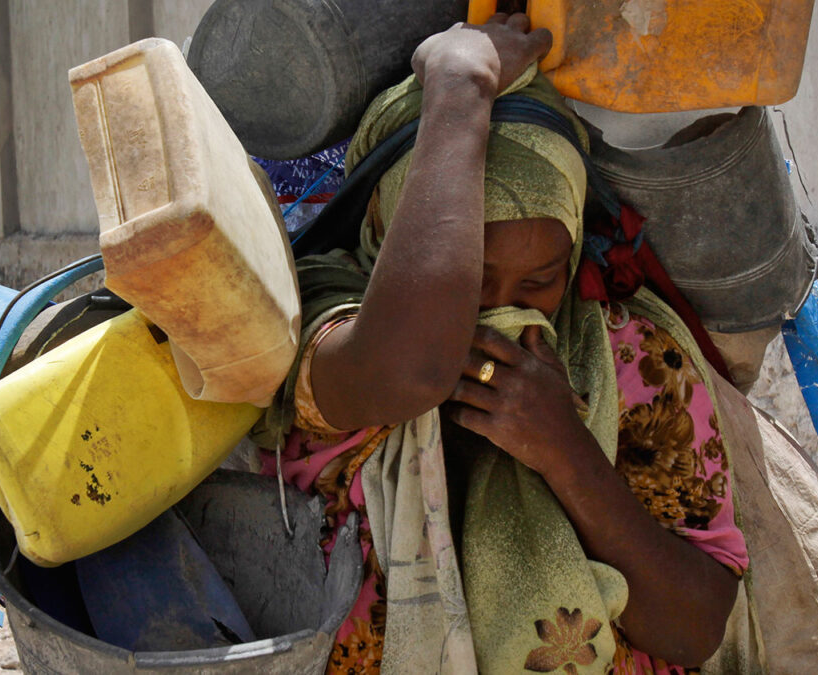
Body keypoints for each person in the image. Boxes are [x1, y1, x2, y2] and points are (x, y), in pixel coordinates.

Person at [255, 14, 746, 674]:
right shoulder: (322, 320)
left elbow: (693, 629)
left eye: (540, 281)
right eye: (470, 281)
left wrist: (566, 452)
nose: (501, 312)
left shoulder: (634, 359)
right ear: (387, 227)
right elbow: (413, 367)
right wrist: (459, 88)